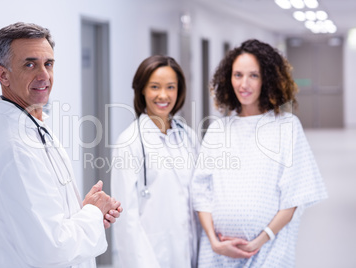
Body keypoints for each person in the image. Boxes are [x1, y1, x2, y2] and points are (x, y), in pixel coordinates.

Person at [0, 22, 122, 268]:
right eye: (30, 64)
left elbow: (47, 221)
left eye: (49, 64)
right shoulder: (15, 147)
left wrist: (84, 210)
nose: (44, 75)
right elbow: (52, 248)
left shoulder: (33, 125)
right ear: (3, 75)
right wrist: (93, 213)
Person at [192, 39, 328, 267]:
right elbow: (200, 191)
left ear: (268, 79)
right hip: (217, 252)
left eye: (253, 75)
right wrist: (215, 242)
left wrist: (259, 241)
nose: (244, 83)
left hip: (270, 250)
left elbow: (293, 198)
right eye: (238, 75)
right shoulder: (218, 129)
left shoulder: (287, 126)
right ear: (228, 79)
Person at [111, 55, 199, 268]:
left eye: (170, 87)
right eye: (154, 87)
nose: (163, 95)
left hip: (190, 252)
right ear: (142, 89)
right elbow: (126, 220)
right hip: (151, 257)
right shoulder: (129, 142)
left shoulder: (188, 136)